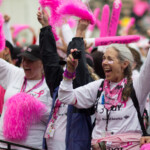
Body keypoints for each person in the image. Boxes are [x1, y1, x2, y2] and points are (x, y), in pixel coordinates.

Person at [58, 44, 150, 150]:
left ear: (124, 64)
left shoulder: (137, 86)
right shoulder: (98, 86)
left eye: (110, 59)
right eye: (104, 58)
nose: (105, 62)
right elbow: (65, 97)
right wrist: (69, 71)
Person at [38, 9, 95, 150]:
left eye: (71, 63)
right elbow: (50, 62)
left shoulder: (84, 91)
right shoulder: (59, 87)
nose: (68, 66)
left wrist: (79, 33)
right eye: (66, 64)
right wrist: (46, 27)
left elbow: (80, 67)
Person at [0, 44, 52, 149]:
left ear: (42, 63)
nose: (25, 64)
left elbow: (54, 120)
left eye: (30, 61)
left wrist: (36, 106)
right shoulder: (15, 73)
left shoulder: (50, 84)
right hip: (3, 144)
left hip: (29, 146)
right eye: (23, 59)